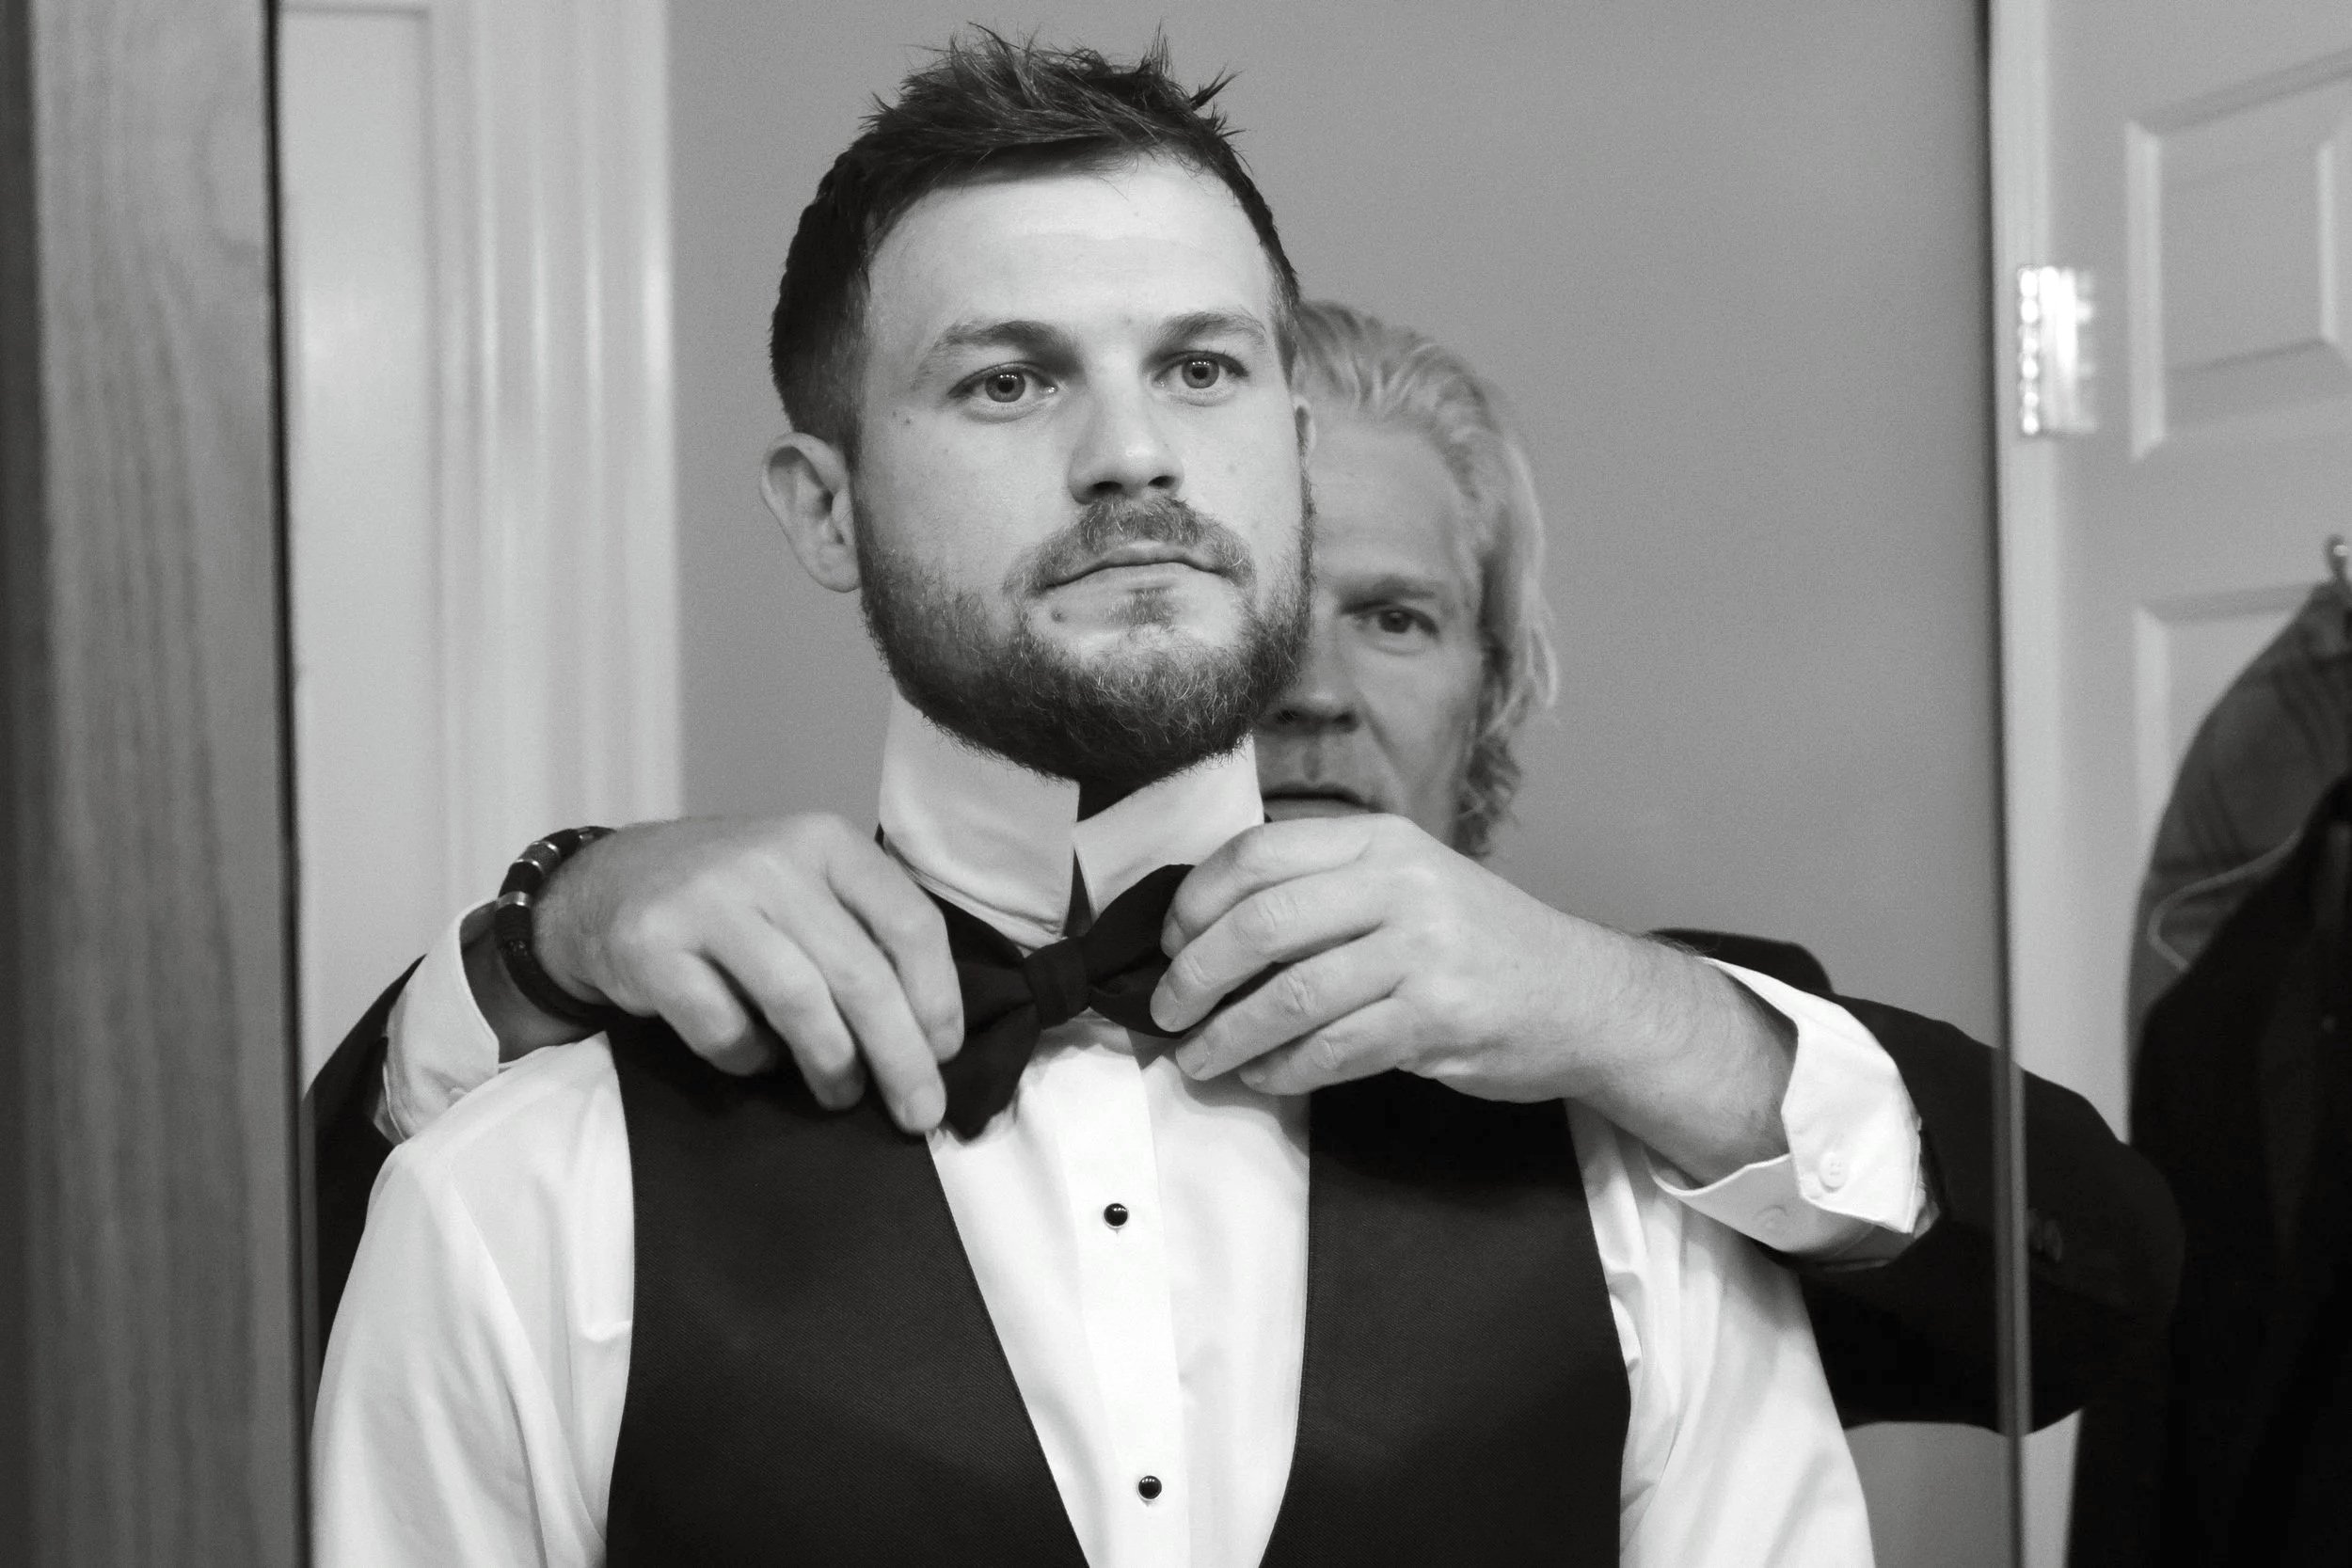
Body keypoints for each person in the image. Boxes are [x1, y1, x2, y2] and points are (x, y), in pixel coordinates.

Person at [315, 36, 1883, 1565]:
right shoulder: (520, 1198)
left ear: (1293, 455)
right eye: (1008, 381)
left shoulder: (1632, 1168)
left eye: (1200, 370)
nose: (1133, 455)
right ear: (824, 509)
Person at [309, 297, 2182, 1437]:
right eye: (1264, 610)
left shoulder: (1653, 1089)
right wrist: (549, 935)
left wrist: (1635, 1020)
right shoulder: (736, 1049)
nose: (1312, 687)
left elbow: (2093, 1292)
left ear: (1493, 689)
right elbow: (290, 1309)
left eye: (1396, 617)